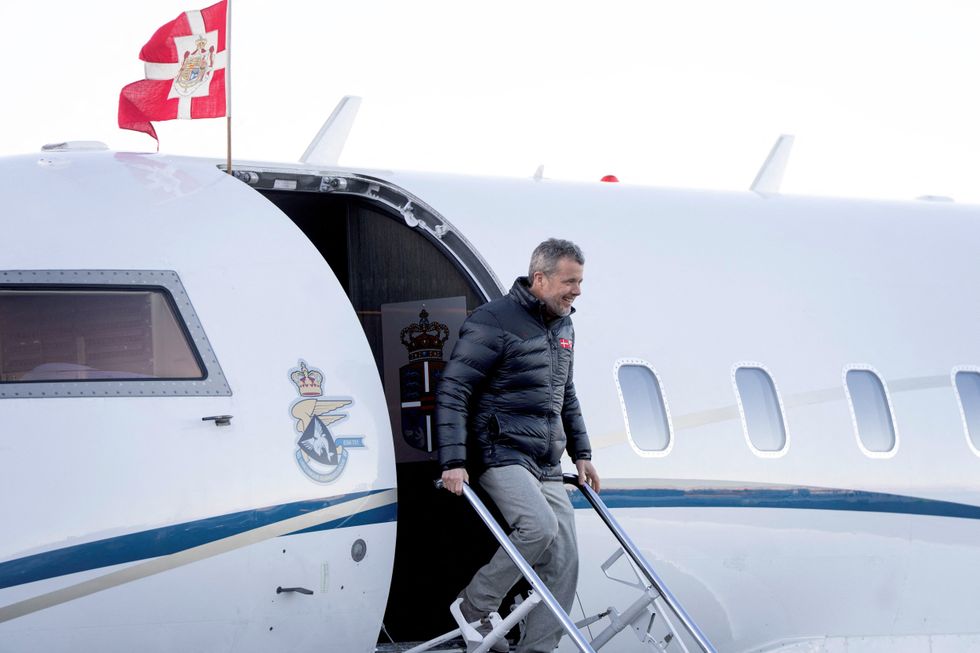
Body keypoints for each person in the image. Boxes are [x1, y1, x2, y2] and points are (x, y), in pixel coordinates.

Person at [435, 238, 600, 653]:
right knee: (538, 527)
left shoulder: (564, 325)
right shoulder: (494, 321)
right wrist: (453, 459)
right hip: (500, 451)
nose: (577, 290)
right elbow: (454, 389)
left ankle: (539, 648)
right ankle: (476, 603)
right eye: (570, 281)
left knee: (564, 561)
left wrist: (582, 453)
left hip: (546, 459)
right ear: (539, 278)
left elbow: (567, 393)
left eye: (580, 281)